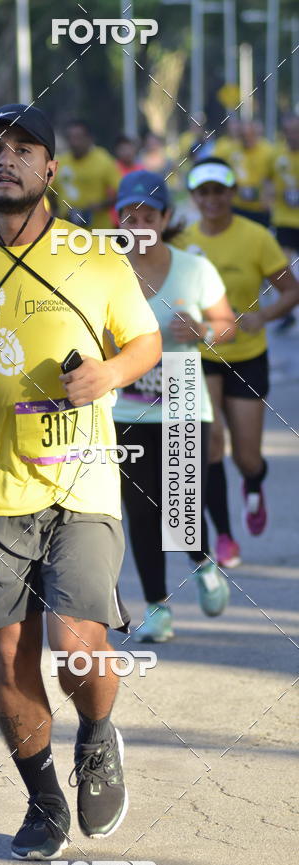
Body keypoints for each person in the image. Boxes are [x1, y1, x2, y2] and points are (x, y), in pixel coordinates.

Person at [0, 103, 161, 860]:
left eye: (23, 148)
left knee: (77, 645)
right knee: (9, 655)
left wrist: (109, 371)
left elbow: (144, 341)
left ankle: (99, 735)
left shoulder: (96, 256)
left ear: (50, 169)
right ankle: (42, 797)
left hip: (81, 484)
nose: (4, 159)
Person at [113, 171, 235, 642]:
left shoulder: (194, 268)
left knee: (181, 506)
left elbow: (228, 324)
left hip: (183, 392)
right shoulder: (105, 269)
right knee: (142, 509)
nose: (139, 224)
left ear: (165, 218)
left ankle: (203, 563)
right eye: (130, 215)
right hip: (126, 402)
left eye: (148, 215)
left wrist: (203, 330)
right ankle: (157, 608)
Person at [174, 158, 299, 566]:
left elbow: (290, 291)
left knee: (247, 456)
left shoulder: (256, 237)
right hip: (201, 356)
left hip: (246, 356)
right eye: (203, 192)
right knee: (209, 445)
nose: (212, 199)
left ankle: (253, 484)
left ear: (231, 194)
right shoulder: (183, 241)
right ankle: (225, 535)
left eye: (219, 191)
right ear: (194, 197)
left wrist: (262, 315)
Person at [51, 118, 120, 229]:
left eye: (78, 138)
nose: (74, 142)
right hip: (66, 232)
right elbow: (49, 191)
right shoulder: (61, 162)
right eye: (70, 138)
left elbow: (120, 192)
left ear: (90, 139)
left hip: (98, 233)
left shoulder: (103, 160)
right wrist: (55, 212)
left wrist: (101, 205)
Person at [272, 116, 299, 332]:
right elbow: (266, 180)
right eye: (289, 131)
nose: (293, 135)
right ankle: (287, 311)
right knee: (283, 267)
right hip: (284, 219)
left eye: (296, 131)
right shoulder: (278, 155)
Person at [223, 121, 274, 227]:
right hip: (238, 207)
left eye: (250, 135)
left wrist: (269, 198)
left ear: (256, 134)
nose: (247, 139)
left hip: (260, 209)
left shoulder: (268, 151)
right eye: (243, 136)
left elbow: (273, 178)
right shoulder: (231, 151)